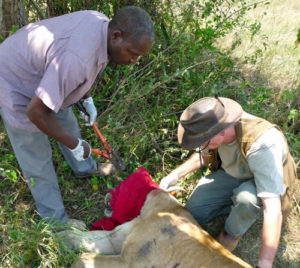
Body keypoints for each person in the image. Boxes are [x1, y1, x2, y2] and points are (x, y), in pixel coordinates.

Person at [0, 6, 154, 224]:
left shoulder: (102, 25)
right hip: (15, 79)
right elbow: (36, 112)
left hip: (47, 72)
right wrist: (74, 143)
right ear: (116, 37)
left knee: (66, 120)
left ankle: (85, 168)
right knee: (36, 155)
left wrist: (86, 98)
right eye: (133, 53)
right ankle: (57, 223)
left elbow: (79, 73)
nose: (134, 61)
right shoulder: (77, 59)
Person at [160, 96, 297, 268]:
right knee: (194, 211)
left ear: (222, 132)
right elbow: (204, 156)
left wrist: (265, 263)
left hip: (262, 180)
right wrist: (174, 175)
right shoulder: (215, 127)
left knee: (246, 200)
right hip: (234, 172)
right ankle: (235, 204)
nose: (202, 145)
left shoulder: (262, 145)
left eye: (204, 142)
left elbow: (273, 210)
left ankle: (230, 235)